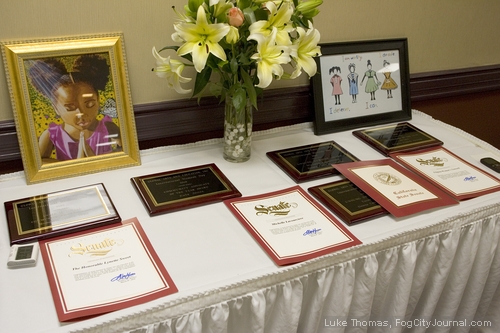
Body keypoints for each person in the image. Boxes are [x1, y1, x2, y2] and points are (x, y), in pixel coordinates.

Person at [27, 55, 121, 161]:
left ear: (98, 100)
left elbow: (126, 151)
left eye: (90, 105)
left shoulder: (108, 127)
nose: (81, 113)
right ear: (55, 108)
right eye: (70, 108)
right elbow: (40, 163)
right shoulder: (51, 135)